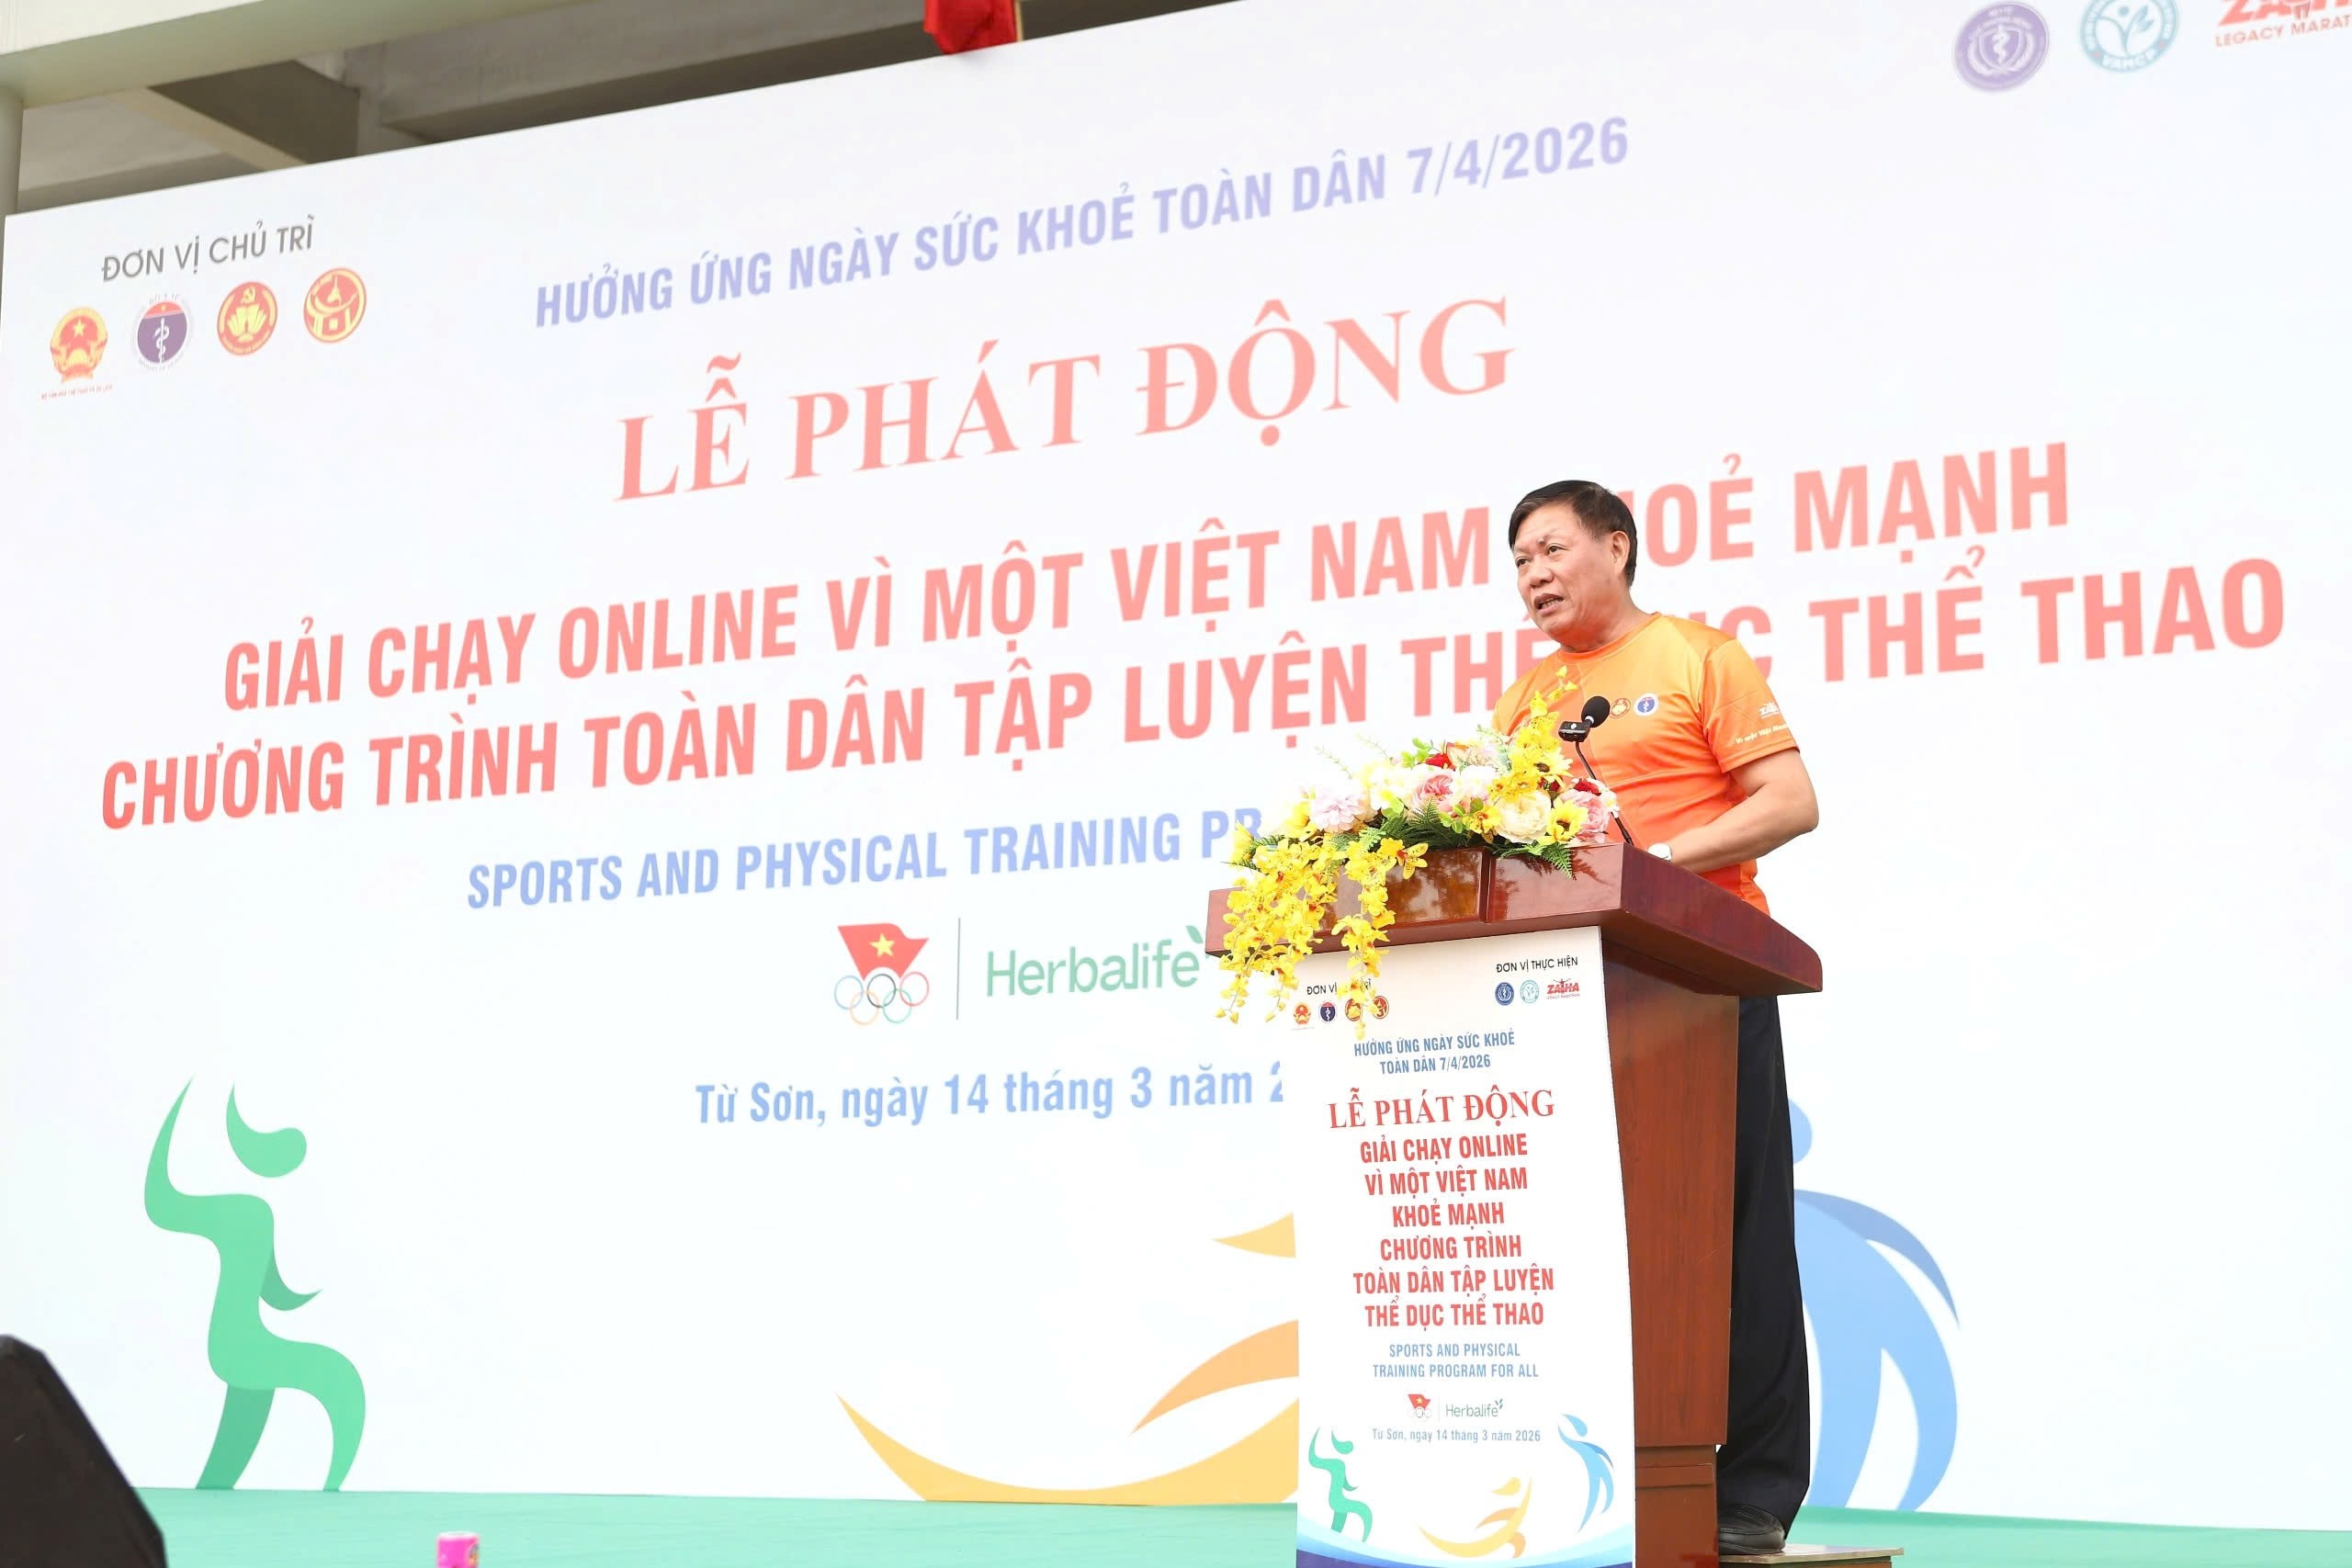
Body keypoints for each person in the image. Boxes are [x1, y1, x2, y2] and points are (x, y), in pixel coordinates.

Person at [1489, 479, 1819, 1557]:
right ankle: (1606, 1481)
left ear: (1616, 547)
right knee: (1588, 1240)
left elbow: (1789, 801)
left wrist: (1659, 868)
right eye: (1519, 561)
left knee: (1733, 1236)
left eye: (1550, 549)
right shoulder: (1523, 701)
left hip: (1704, 978)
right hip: (1571, 989)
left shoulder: (1696, 657)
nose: (1533, 575)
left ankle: (1752, 1489)